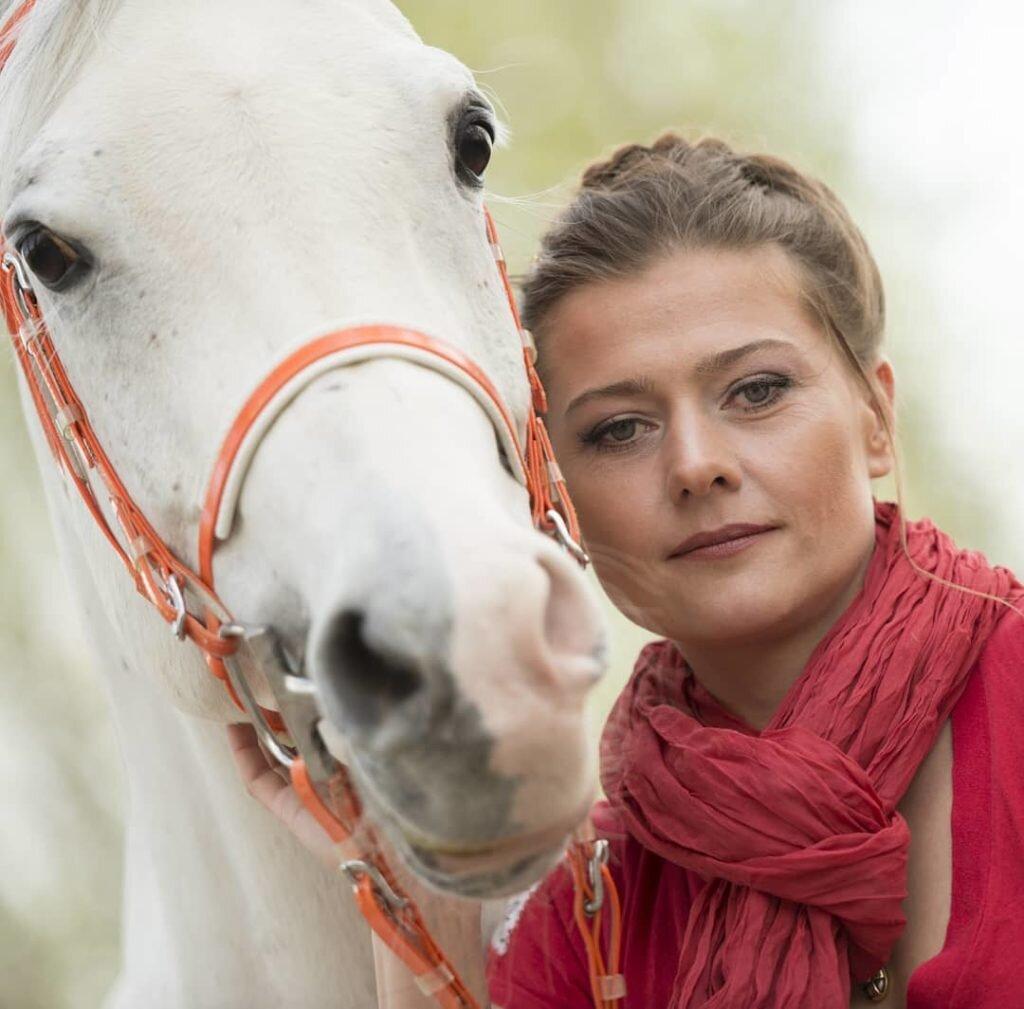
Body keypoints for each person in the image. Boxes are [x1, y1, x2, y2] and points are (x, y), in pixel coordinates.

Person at [231, 134, 1024, 1009]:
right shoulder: (593, 908)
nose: (695, 464)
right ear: (558, 496)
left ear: (875, 415)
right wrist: (420, 888)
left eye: (756, 390)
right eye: (619, 429)